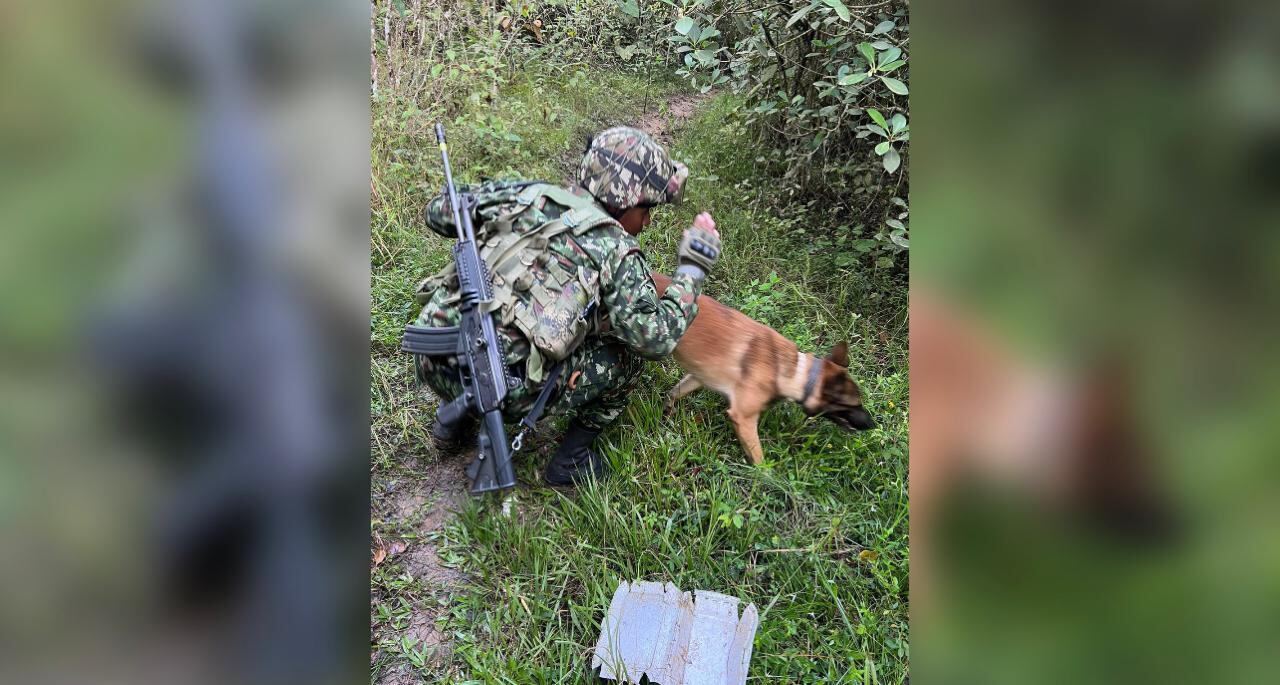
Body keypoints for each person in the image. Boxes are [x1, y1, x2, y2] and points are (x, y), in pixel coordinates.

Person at [411, 126, 722, 485]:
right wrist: (691, 271)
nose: (648, 220)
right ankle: (570, 461)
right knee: (628, 357)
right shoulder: (618, 252)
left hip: (433, 351)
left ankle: (455, 420)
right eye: (647, 208)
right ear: (626, 201)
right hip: (507, 391)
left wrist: (489, 208)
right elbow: (655, 339)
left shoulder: (529, 194)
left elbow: (438, 212)